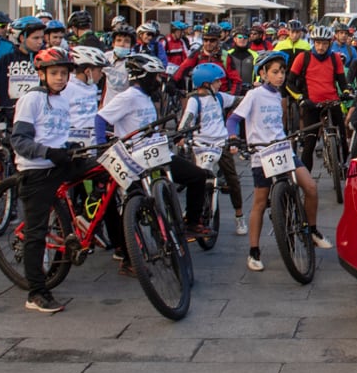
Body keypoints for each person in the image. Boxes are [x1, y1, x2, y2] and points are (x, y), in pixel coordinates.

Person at [227, 51, 332, 273]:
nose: (280, 76)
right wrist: (233, 137)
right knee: (259, 202)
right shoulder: (254, 95)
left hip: (283, 150)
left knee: (311, 187)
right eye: (275, 72)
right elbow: (234, 119)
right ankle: (254, 252)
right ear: (263, 73)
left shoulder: (278, 95)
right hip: (261, 155)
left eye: (282, 72)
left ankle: (312, 230)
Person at [96, 53, 210, 240]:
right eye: (156, 76)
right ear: (145, 77)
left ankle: (191, 222)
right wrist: (102, 145)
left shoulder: (147, 98)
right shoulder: (128, 97)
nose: (159, 81)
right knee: (133, 203)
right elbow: (101, 118)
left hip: (154, 151)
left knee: (197, 176)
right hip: (135, 157)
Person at [7, 46, 80, 313]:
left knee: (102, 169)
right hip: (36, 169)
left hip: (58, 163)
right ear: (42, 74)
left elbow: (57, 135)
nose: (61, 78)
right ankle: (36, 292)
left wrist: (71, 147)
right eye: (55, 73)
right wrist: (48, 152)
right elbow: (19, 140)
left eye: (64, 73)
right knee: (35, 233)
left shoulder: (61, 100)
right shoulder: (32, 99)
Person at [178, 62, 246, 236]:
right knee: (196, 181)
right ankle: (193, 215)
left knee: (232, 180)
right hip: (200, 146)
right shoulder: (194, 101)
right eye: (216, 82)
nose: (220, 84)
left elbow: (239, 100)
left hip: (221, 144)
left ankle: (239, 216)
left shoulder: (220, 97)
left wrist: (253, 93)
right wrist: (182, 136)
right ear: (205, 83)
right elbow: (187, 121)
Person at [287, 26, 349, 169]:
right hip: (312, 104)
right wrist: (300, 98)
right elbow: (289, 83)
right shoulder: (303, 57)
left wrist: (345, 91)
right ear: (313, 42)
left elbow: (342, 81)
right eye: (318, 43)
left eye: (324, 43)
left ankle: (343, 165)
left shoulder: (335, 59)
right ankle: (306, 178)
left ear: (330, 43)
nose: (321, 47)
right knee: (309, 143)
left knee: (343, 137)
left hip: (332, 101)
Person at [0, 16, 47, 110]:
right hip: (9, 116)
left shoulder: (45, 60)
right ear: (22, 38)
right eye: (36, 38)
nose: (40, 42)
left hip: (38, 115)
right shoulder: (5, 61)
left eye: (42, 38)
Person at [174, 24, 241, 94]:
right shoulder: (197, 54)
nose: (208, 43)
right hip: (201, 95)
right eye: (205, 40)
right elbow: (183, 68)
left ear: (218, 40)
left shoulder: (225, 56)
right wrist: (172, 81)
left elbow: (236, 80)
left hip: (220, 96)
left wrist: (231, 96)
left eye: (212, 40)